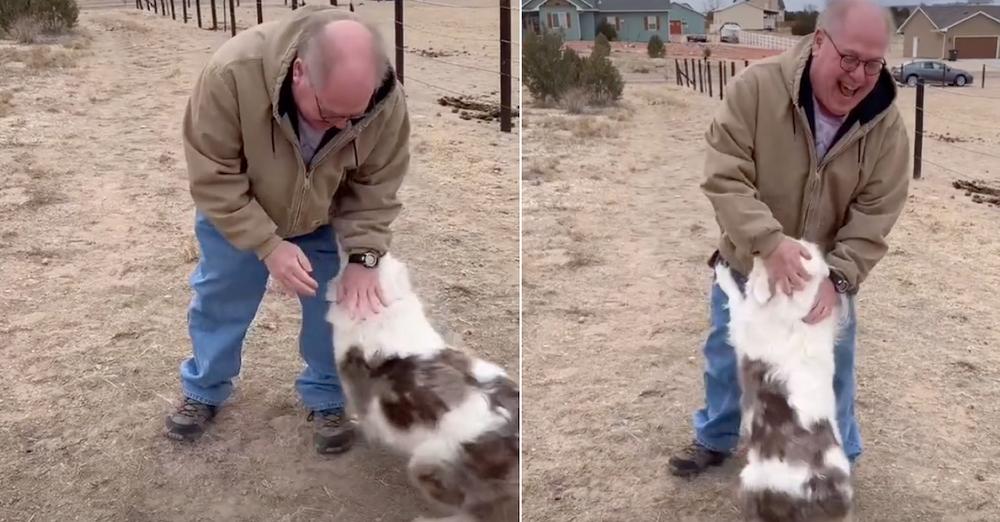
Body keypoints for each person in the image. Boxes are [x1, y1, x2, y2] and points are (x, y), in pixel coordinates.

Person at [669, 0, 910, 477]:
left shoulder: (886, 127)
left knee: (834, 368)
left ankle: (837, 457)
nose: (859, 76)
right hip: (749, 262)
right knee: (728, 355)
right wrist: (769, 243)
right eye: (849, 58)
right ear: (819, 40)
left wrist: (838, 277)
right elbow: (726, 176)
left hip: (825, 275)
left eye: (872, 63)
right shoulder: (754, 90)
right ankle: (716, 437)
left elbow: (875, 212)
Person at [164, 5, 411, 455]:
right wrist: (265, 243)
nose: (343, 126)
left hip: (322, 218)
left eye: (353, 118)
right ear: (299, 72)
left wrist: (364, 257)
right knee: (222, 298)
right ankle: (204, 388)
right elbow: (213, 174)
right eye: (329, 112)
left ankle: (327, 397)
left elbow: (375, 187)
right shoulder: (232, 74)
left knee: (338, 306)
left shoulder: (384, 102)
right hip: (240, 211)